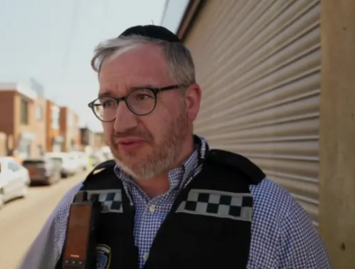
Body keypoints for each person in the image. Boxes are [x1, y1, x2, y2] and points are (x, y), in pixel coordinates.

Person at [19, 25, 331, 269]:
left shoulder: (268, 214)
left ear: (190, 102)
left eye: (142, 96)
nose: (121, 122)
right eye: (109, 102)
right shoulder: (78, 204)